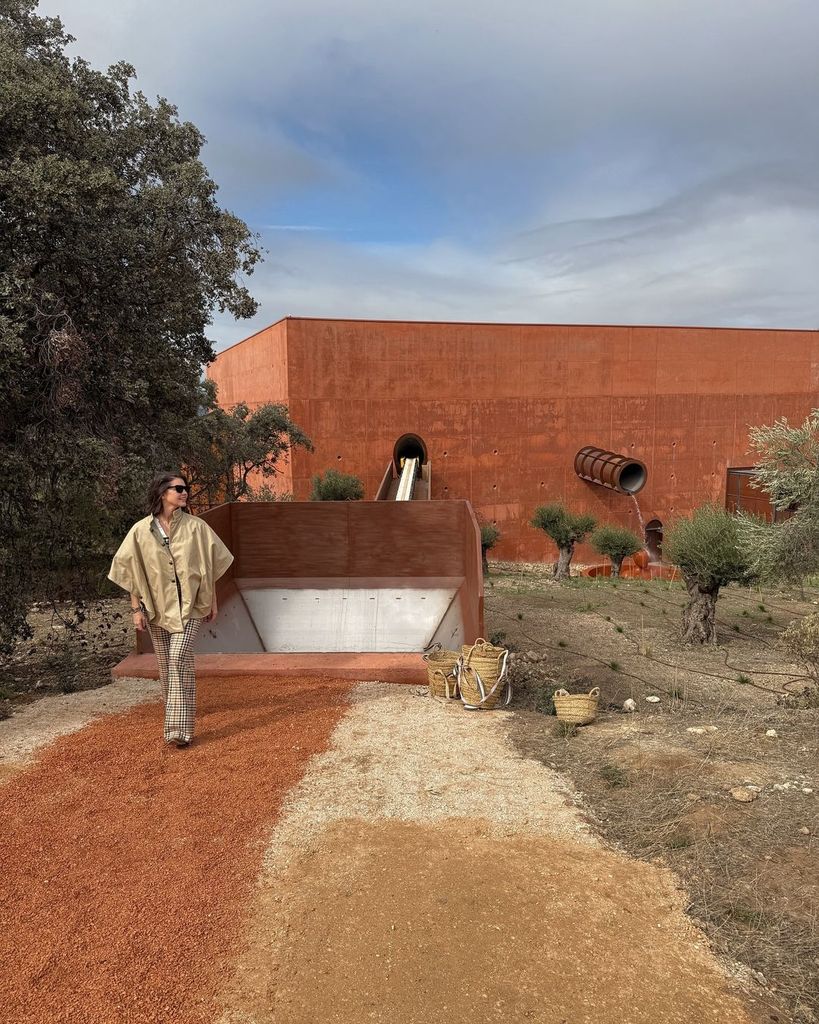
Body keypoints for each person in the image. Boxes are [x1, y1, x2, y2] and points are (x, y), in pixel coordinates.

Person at [108, 472, 233, 748]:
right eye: (178, 488)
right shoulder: (140, 531)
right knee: (168, 666)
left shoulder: (197, 528)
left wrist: (211, 601)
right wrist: (135, 610)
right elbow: (132, 572)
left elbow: (211, 566)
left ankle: (178, 729)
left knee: (177, 657)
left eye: (185, 488)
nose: (184, 492)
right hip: (157, 608)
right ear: (163, 493)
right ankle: (181, 716)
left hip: (190, 606)